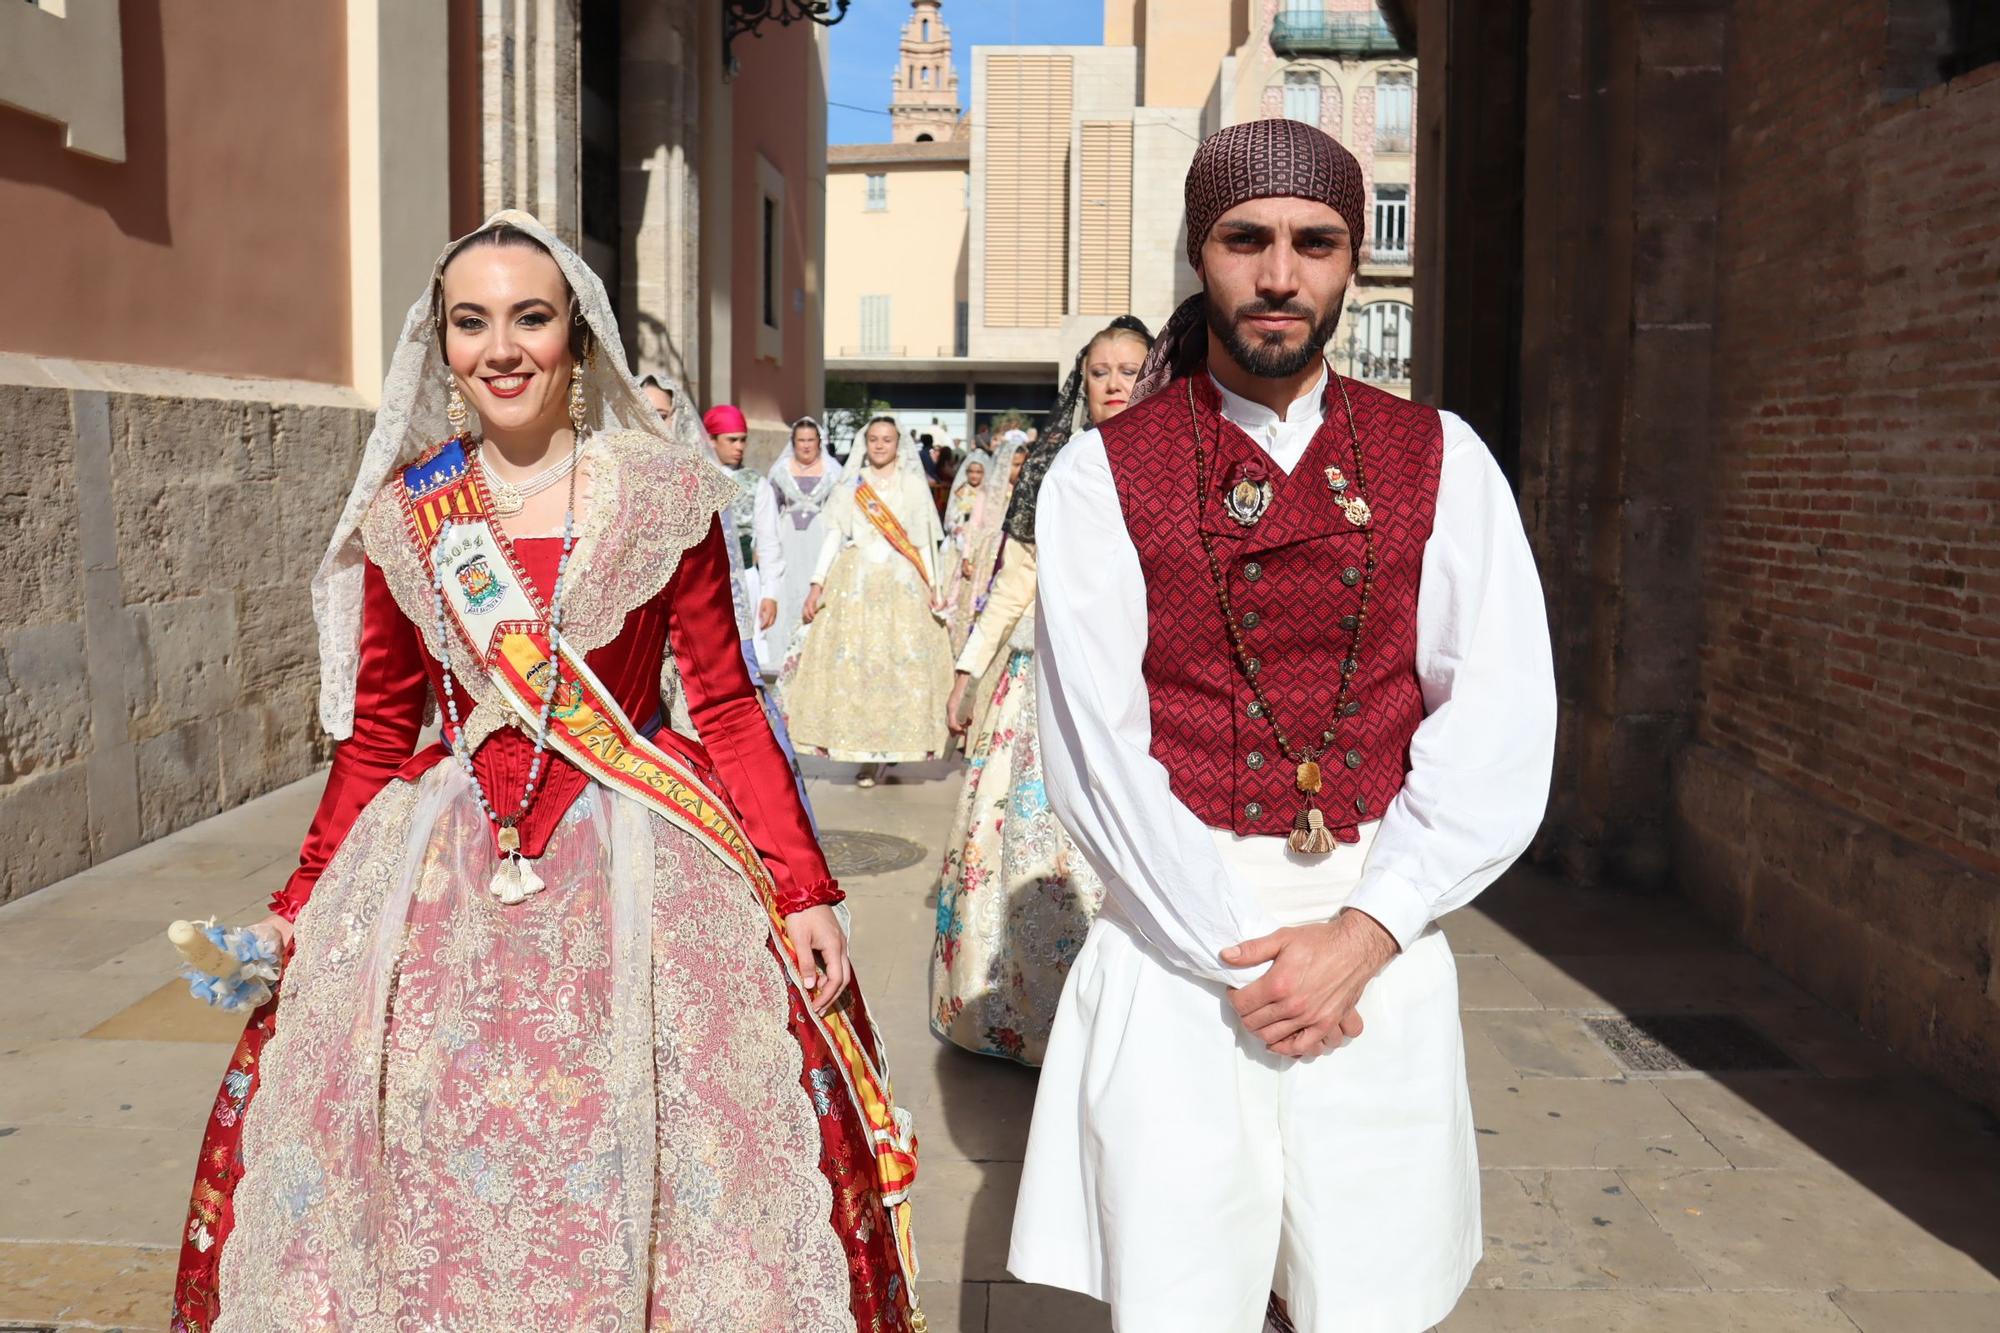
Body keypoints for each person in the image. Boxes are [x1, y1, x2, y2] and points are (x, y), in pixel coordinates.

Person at [171, 212, 925, 1332]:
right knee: (425, 1144)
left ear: (576, 336)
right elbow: (378, 737)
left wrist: (803, 885)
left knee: (666, 1141)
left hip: (645, 865)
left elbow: (721, 703)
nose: (502, 348)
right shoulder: (409, 517)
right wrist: (297, 904)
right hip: (437, 879)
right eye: (470, 323)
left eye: (530, 317)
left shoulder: (663, 497)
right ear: (442, 348)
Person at [1008, 119, 1558, 1332]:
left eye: (1313, 242)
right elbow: (1094, 743)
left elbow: (1501, 711)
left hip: (1380, 923)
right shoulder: (1104, 474)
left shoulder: (1440, 457)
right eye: (1243, 239)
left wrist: (1361, 935)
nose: (1277, 274)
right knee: (1185, 1292)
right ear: (1197, 255)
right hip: (1178, 932)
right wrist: (1241, 954)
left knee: (1367, 1290)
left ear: (1350, 259)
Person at [930, 316, 1152, 1066]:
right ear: (1080, 384)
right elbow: (1015, 581)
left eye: (1130, 368)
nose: (1116, 383)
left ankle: (1120, 1021)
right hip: (1041, 683)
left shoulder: (1180, 465)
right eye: (1101, 371)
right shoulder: (1055, 465)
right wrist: (967, 668)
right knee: (1021, 844)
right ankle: (1025, 1015)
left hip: (1136, 690)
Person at [782, 415, 954, 786]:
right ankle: (861, 754)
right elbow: (834, 537)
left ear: (897, 444)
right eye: (874, 439)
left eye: (887, 439)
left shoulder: (912, 485)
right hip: (855, 581)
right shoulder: (850, 486)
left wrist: (935, 587)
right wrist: (817, 583)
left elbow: (923, 540)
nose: (879, 445)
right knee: (856, 668)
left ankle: (895, 747)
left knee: (900, 667)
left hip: (902, 582)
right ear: (866, 443)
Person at [753, 415, 836, 667]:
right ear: (794, 442)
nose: (806, 445)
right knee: (787, 589)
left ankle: (816, 655)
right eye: (801, 440)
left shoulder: (833, 472)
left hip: (820, 538)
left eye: (811, 440)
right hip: (787, 537)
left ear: (820, 442)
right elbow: (769, 510)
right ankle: (783, 654)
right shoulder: (780, 472)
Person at [939, 437, 1024, 659]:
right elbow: (975, 526)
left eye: (1023, 464)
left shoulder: (1025, 491)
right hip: (988, 554)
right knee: (979, 606)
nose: (1020, 469)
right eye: (1016, 465)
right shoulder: (989, 491)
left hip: (1014, 554)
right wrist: (967, 557)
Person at [945, 457, 986, 538]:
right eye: (971, 472)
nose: (974, 476)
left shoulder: (986, 493)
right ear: (966, 473)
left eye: (978, 472)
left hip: (979, 535)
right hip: (961, 534)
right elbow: (951, 516)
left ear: (983, 474)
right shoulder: (961, 491)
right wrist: (954, 528)